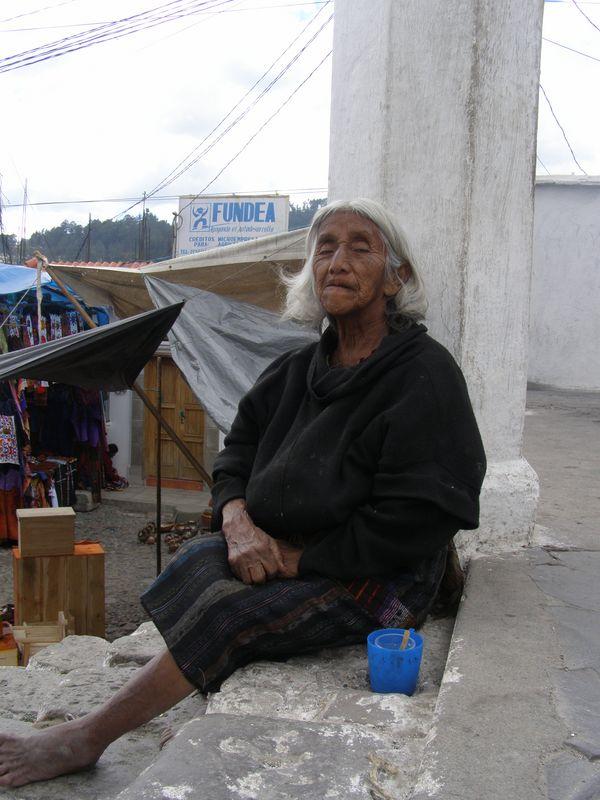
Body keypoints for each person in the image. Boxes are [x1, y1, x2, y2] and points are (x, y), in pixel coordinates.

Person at [0, 198, 486, 788]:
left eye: (361, 246)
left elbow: (418, 521)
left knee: (228, 612)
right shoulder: (296, 370)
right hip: (287, 544)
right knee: (199, 561)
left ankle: (85, 738)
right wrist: (236, 520)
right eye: (325, 246)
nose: (337, 260)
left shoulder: (424, 375)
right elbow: (236, 454)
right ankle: (195, 684)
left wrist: (298, 559)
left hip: (379, 574)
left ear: (396, 276)